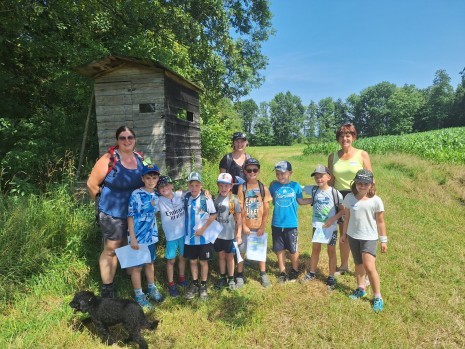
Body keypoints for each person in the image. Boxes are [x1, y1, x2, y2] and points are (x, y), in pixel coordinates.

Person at [87, 126, 144, 298]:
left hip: (134, 213)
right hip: (113, 211)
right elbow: (91, 184)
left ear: (135, 139)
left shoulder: (140, 158)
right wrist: (100, 204)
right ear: (117, 140)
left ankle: (130, 278)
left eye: (130, 137)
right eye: (122, 138)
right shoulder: (109, 159)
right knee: (112, 247)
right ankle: (107, 288)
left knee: (129, 243)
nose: (126, 141)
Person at [328, 123, 373, 276]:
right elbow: (331, 180)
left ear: (353, 137)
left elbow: (371, 178)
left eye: (348, 135)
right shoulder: (332, 156)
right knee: (345, 233)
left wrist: (369, 198)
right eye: (341, 136)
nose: (344, 138)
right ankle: (344, 265)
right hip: (340, 198)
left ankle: (364, 271)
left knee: (360, 232)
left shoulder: (362, 154)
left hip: (358, 196)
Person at [340, 169, 387, 312]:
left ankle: (377, 296)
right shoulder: (349, 198)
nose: (362, 186)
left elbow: (380, 222)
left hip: (369, 238)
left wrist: (383, 240)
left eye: (365, 183)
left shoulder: (376, 201)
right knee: (358, 264)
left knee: (369, 266)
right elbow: (346, 217)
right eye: (359, 183)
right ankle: (361, 288)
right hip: (353, 236)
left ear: (371, 184)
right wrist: (344, 234)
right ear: (355, 183)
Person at [127, 164, 164, 308]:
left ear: (157, 179)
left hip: (151, 237)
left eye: (154, 178)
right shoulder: (136, 194)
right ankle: (139, 295)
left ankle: (151, 288)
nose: (151, 181)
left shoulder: (156, 194)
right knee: (137, 267)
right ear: (142, 178)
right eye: (148, 178)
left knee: (149, 263)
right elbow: (130, 216)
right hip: (137, 237)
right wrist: (133, 237)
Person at [302, 165, 344, 289]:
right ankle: (312, 273)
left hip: (331, 227)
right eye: (316, 177)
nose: (318, 179)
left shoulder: (335, 193)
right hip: (317, 226)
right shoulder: (314, 190)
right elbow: (299, 188)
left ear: (329, 177)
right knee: (315, 249)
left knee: (331, 251)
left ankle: (331, 276)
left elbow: (343, 211)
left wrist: (332, 220)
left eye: (321, 176)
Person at [269, 161, 311, 283]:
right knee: (279, 248)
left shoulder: (295, 186)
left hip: (291, 223)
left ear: (290, 173)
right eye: (277, 174)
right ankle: (282, 271)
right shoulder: (273, 187)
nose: (280, 176)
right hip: (276, 223)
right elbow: (265, 197)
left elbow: (301, 201)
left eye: (283, 173)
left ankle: (295, 269)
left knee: (293, 249)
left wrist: (315, 199)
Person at [237, 158, 273, 288]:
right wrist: (245, 226)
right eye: (249, 170)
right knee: (241, 251)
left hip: (258, 228)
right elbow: (240, 209)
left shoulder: (263, 188)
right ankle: (239, 274)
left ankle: (263, 274)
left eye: (255, 170)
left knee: (260, 251)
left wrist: (262, 226)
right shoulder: (242, 188)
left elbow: (267, 209)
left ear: (258, 171)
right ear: (244, 171)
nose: (252, 172)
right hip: (246, 227)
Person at [183, 172, 218, 300]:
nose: (194, 188)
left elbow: (213, 215)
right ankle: (194, 283)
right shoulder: (185, 197)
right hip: (190, 238)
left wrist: (203, 229)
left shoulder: (206, 198)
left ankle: (203, 285)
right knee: (192, 261)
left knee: (203, 261)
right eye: (191, 185)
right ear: (188, 185)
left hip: (204, 238)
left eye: (197, 185)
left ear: (201, 185)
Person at [156, 175, 189, 297]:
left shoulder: (179, 195)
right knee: (171, 260)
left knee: (182, 257)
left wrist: (206, 192)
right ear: (158, 189)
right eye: (161, 186)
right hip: (171, 236)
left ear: (171, 185)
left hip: (183, 234)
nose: (164, 188)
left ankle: (182, 278)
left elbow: (193, 191)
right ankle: (171, 284)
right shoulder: (159, 200)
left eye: (166, 185)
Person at [213, 173, 242, 290]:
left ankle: (231, 278)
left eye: (226, 186)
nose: (223, 188)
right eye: (221, 185)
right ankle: (222, 277)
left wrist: (238, 234)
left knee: (230, 257)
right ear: (218, 186)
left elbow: (239, 220)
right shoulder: (215, 198)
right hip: (218, 235)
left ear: (231, 186)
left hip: (230, 235)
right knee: (221, 255)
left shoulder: (234, 199)